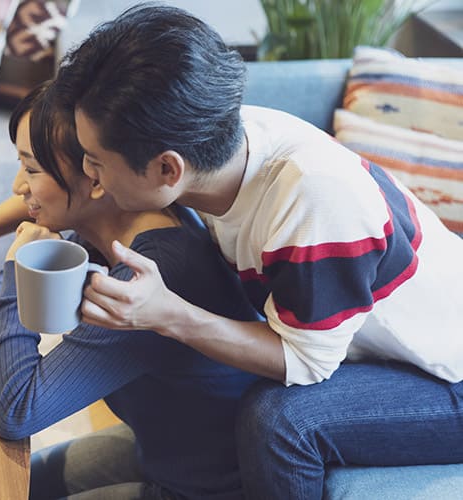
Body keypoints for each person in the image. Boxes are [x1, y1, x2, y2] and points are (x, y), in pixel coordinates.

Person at [47, 4, 463, 499]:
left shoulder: (312, 202)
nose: (87, 174)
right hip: (369, 342)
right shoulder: (219, 138)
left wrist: (168, 315)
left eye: (95, 161)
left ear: (167, 170)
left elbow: (306, 362)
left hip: (446, 375)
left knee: (280, 420)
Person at [0, 80, 262, 498]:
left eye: (31, 169)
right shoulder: (115, 223)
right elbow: (37, 261)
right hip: (161, 449)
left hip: (202, 488)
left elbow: (18, 411)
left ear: (95, 174)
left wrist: (17, 270)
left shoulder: (146, 279)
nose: (18, 187)